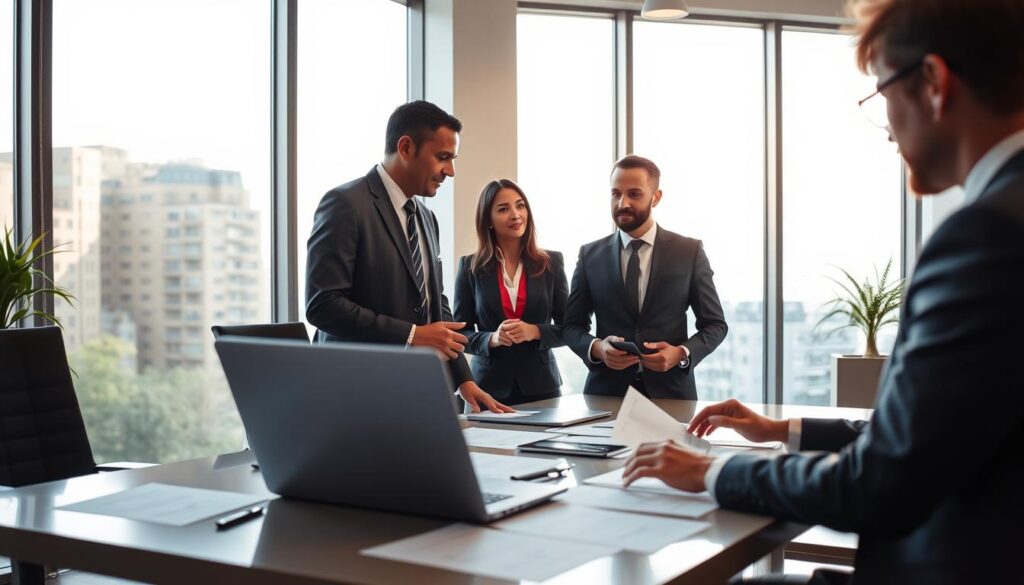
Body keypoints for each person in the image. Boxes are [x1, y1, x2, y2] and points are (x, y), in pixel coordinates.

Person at [622, 1, 1024, 583]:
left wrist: (713, 474)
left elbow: (882, 482)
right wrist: (778, 430)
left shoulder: (986, 235)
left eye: (881, 90)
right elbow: (929, 433)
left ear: (933, 83)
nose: (885, 126)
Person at [305, 100, 512, 413]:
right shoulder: (345, 204)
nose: (450, 171)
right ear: (405, 147)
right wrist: (411, 335)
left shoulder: (427, 219)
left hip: (420, 391)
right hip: (357, 394)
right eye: (442, 157)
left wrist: (462, 379)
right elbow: (323, 304)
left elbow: (435, 304)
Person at [562, 155, 728, 399]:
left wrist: (681, 353)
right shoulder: (590, 255)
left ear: (656, 197)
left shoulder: (689, 252)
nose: (622, 203)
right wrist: (597, 348)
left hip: (671, 394)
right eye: (615, 193)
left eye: (634, 194)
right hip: (606, 395)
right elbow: (571, 326)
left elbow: (716, 325)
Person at [453, 179, 569, 405]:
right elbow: (460, 334)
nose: (515, 215)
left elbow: (570, 328)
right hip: (487, 388)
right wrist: (491, 339)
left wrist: (535, 331)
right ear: (488, 219)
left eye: (520, 205)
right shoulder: (470, 267)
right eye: (503, 209)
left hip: (542, 387)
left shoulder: (551, 263)